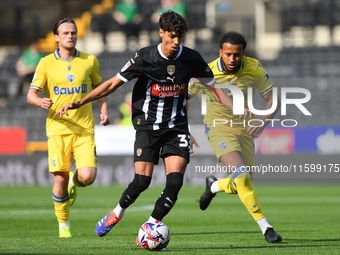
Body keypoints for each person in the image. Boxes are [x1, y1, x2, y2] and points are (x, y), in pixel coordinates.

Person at [55, 10, 216, 240]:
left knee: (175, 183)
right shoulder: (145, 57)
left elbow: (215, 87)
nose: (176, 41)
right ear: (161, 33)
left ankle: (151, 227)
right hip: (147, 126)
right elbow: (112, 84)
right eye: (172, 35)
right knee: (142, 181)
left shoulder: (191, 58)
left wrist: (237, 109)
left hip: (176, 127)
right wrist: (81, 101)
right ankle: (116, 213)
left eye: (180, 36)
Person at [188, 31, 282, 243]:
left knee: (242, 182)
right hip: (218, 129)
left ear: (242, 53)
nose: (232, 59)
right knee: (242, 175)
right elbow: (183, 98)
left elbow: (272, 100)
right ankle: (266, 228)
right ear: (220, 52)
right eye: (228, 54)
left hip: (246, 132)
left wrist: (262, 121)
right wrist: (184, 128)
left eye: (237, 55)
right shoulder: (207, 72)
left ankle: (213, 186)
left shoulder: (253, 67)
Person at [27, 18, 110, 238]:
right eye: (65, 33)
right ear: (56, 37)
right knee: (59, 179)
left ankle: (76, 181)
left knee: (88, 177)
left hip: (84, 129)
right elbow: (31, 95)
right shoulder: (45, 63)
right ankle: (64, 224)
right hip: (58, 129)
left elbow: (100, 89)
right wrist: (40, 102)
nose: (70, 36)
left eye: (73, 32)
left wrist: (103, 110)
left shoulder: (90, 60)